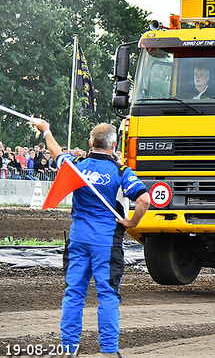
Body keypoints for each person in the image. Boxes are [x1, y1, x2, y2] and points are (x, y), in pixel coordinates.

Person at [33, 119, 150, 358]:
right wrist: (132, 223)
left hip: (78, 239)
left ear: (90, 143)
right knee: (107, 295)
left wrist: (46, 130)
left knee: (74, 293)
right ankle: (108, 351)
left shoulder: (76, 165)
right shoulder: (121, 172)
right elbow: (144, 199)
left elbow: (56, 153)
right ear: (114, 145)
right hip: (106, 243)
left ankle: (69, 349)